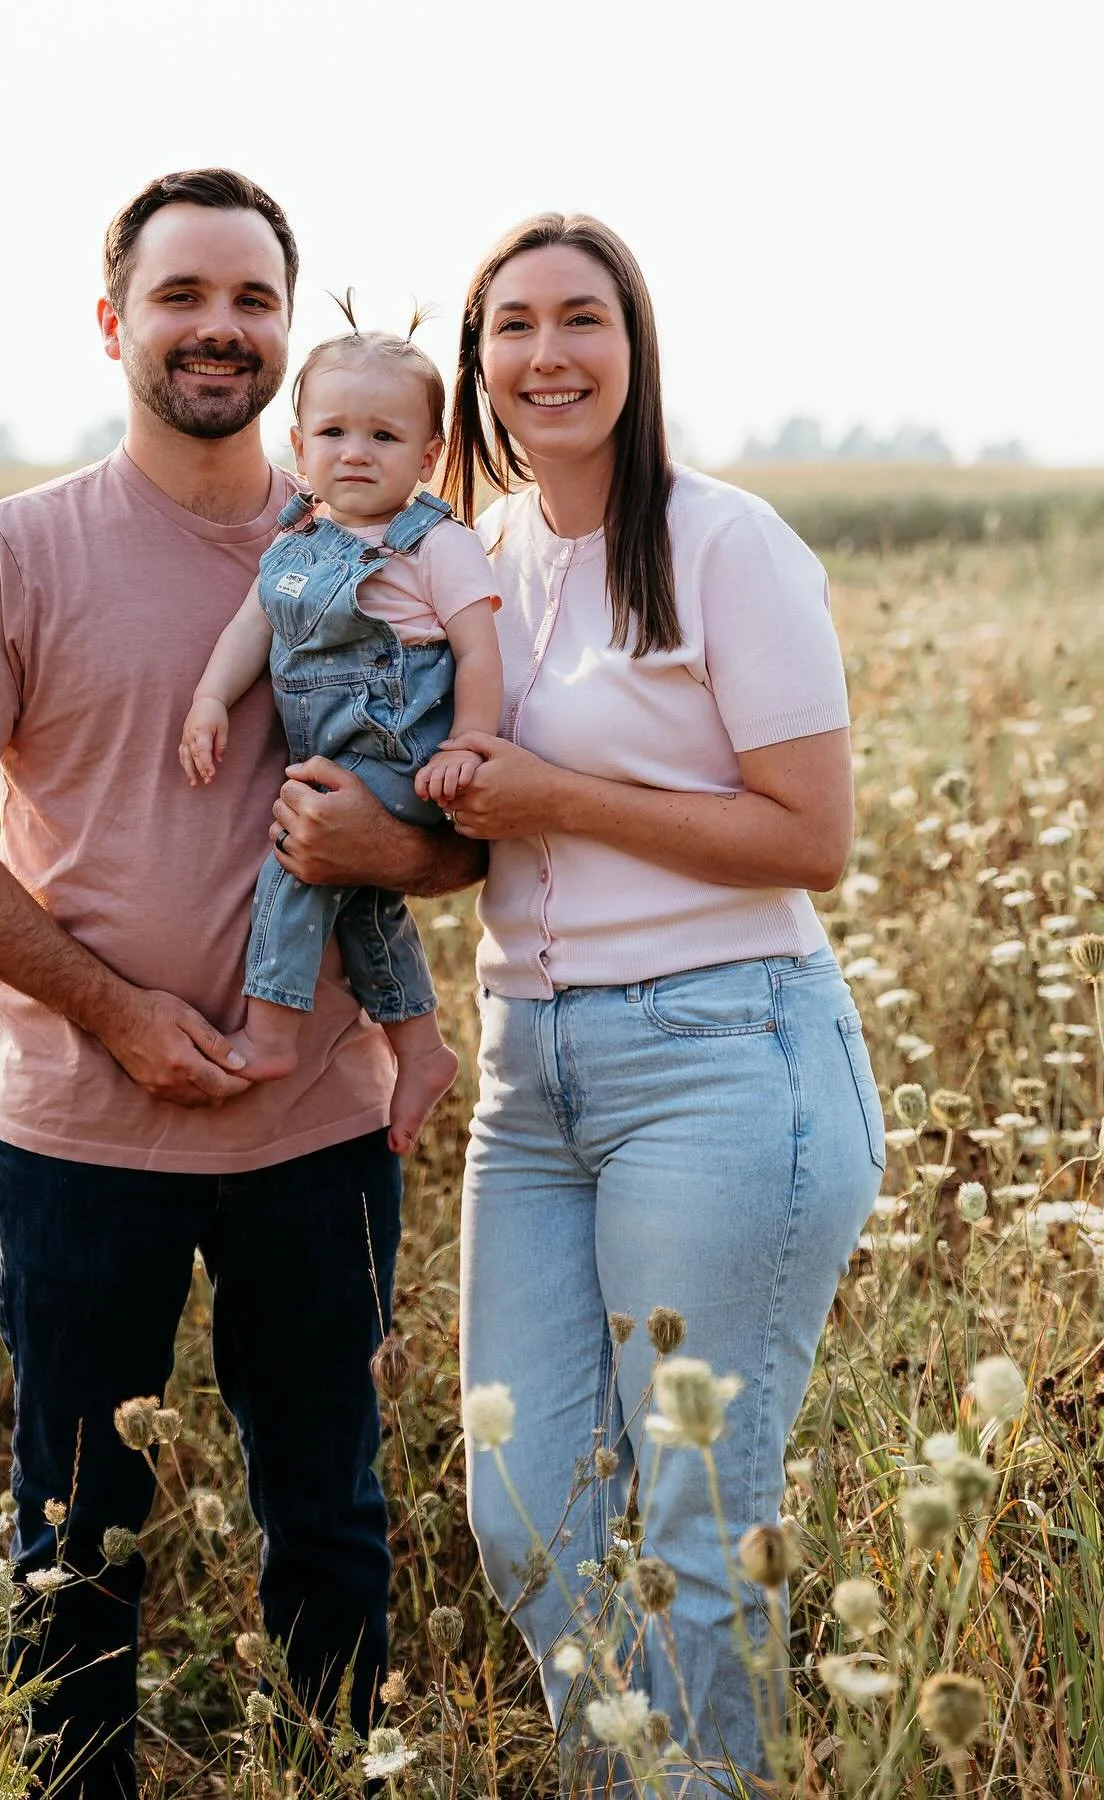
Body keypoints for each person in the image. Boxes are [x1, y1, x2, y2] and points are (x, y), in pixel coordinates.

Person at [0, 168, 480, 1800]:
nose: (221, 328)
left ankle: (333, 1773)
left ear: (290, 324)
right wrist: (116, 1013)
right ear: (113, 321)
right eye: (185, 295)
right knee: (78, 1534)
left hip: (319, 1129)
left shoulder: (377, 539)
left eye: (253, 298)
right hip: (82, 1136)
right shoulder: (14, 551)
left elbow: (461, 834)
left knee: (332, 1514)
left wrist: (391, 856)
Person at [435, 213, 887, 1792]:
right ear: (476, 360)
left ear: (636, 349)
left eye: (582, 321)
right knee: (524, 1500)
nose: (545, 356)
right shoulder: (473, 556)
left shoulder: (722, 541)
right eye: (512, 327)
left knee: (701, 1510)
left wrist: (559, 793)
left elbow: (810, 835)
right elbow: (471, 805)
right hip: (527, 1074)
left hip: (724, 1055)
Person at [178, 315, 503, 1154]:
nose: (356, 451)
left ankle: (272, 1028)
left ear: (428, 455)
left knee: (299, 857)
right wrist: (212, 698)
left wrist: (468, 742)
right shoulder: (298, 540)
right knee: (360, 896)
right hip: (334, 748)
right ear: (297, 441)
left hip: (406, 752)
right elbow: (251, 629)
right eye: (333, 431)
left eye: (385, 435)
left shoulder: (438, 544)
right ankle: (420, 1050)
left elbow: (477, 653)